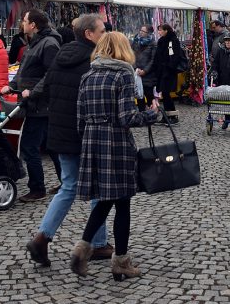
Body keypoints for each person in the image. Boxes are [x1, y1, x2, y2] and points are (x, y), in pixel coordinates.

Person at [68, 32, 160, 281]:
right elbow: (127, 117)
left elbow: (79, 118)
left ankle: (82, 249)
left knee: (105, 200)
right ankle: (120, 262)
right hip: (116, 143)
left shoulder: (88, 76)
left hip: (92, 141)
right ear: (123, 49)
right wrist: (153, 114)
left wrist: (89, 140)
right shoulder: (123, 74)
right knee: (122, 203)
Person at [25, 14, 113, 267]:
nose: (105, 34)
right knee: (97, 187)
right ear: (89, 34)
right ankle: (97, 244)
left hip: (61, 133)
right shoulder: (93, 62)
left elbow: (48, 89)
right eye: (102, 30)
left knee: (68, 187)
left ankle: (42, 237)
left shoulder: (60, 57)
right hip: (87, 134)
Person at [1, 9, 62, 202]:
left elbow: (51, 74)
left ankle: (37, 188)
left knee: (29, 146)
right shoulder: (33, 43)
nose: (22, 23)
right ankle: (69, 182)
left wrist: (33, 91)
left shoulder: (49, 44)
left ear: (33, 24)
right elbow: (23, 70)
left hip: (41, 105)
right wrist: (12, 86)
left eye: (24, 20)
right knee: (50, 145)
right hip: (32, 103)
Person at [153, 24, 183, 123]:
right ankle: (166, 116)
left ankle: (173, 116)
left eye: (161, 30)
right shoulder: (161, 41)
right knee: (164, 94)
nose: (159, 32)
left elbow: (176, 56)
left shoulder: (173, 40)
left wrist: (169, 67)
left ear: (166, 30)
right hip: (161, 71)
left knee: (166, 93)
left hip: (169, 72)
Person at [131, 24, 157, 111]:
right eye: (140, 30)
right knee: (139, 95)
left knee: (149, 94)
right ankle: (142, 113)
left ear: (148, 33)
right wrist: (135, 68)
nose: (141, 33)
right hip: (137, 72)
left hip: (148, 74)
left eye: (143, 31)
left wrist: (145, 71)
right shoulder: (136, 41)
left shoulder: (153, 44)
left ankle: (152, 113)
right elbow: (131, 55)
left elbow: (153, 60)